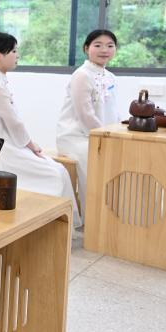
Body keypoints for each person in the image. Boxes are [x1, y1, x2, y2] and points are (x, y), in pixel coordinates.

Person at [0, 32, 77, 222]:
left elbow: (12, 121)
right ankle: (48, 221)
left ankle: (56, 221)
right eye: (13, 51)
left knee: (58, 170)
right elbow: (14, 122)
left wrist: (28, 144)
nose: (17, 55)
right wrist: (31, 145)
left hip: (4, 142)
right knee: (54, 173)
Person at [56, 29, 119, 223]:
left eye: (110, 46)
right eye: (97, 45)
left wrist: (118, 133)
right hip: (76, 137)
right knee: (96, 163)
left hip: (102, 135)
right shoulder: (82, 75)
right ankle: (94, 221)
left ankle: (112, 217)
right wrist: (104, 137)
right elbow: (85, 115)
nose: (104, 50)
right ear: (86, 48)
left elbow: (113, 112)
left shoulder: (111, 77)